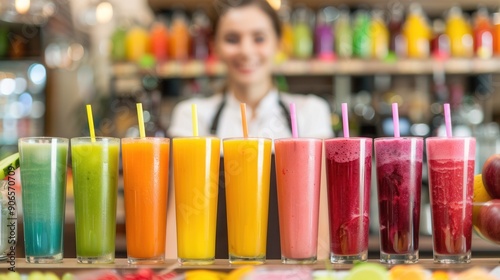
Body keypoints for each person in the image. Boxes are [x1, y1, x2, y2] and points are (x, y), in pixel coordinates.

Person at [167, 0, 333, 260]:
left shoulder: (309, 111)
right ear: (216, 46)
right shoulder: (192, 114)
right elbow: (180, 215)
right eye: (232, 39)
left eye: (259, 38)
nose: (246, 51)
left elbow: (321, 218)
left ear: (279, 43)